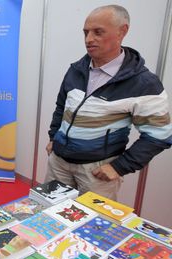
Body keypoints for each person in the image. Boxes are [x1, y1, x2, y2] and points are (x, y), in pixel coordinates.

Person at [46, 5, 172, 200]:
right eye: (86, 32)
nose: (88, 39)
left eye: (98, 32)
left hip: (97, 173)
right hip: (59, 163)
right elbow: (62, 107)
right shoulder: (76, 69)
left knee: (92, 227)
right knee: (47, 218)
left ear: (122, 31)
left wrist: (119, 167)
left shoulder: (144, 83)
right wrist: (54, 136)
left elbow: (159, 135)